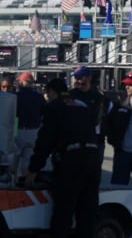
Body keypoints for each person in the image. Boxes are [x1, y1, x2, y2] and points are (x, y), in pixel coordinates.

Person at [24, 78, 101, 238]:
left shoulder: (54, 108)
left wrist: (34, 168)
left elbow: (45, 141)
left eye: (47, 94)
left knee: (63, 212)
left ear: (52, 92)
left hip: (72, 161)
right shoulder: (81, 105)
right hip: (93, 159)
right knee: (87, 214)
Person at [70, 66, 106, 160]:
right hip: (74, 138)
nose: (77, 80)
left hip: (93, 139)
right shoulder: (71, 94)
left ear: (89, 78)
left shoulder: (97, 96)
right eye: (76, 77)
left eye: (80, 77)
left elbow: (97, 119)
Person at [14, 72, 45, 175]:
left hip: (18, 129)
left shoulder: (15, 96)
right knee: (27, 163)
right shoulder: (39, 97)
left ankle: (11, 185)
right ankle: (24, 185)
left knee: (13, 161)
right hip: (33, 131)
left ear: (22, 82)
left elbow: (12, 115)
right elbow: (43, 114)